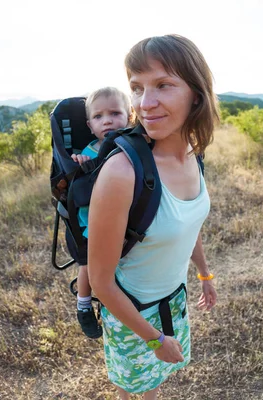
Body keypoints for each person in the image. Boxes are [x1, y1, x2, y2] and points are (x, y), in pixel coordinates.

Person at [87, 35, 220, 400]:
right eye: (136, 88)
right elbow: (100, 281)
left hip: (173, 300)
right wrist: (155, 338)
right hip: (132, 313)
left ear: (196, 93)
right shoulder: (121, 173)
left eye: (163, 85)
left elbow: (188, 224)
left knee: (155, 384)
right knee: (132, 389)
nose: (145, 104)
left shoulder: (194, 154)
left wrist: (204, 274)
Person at [71, 87, 132, 339]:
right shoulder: (87, 153)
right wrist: (81, 165)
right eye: (98, 117)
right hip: (93, 223)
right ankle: (84, 305)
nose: (107, 120)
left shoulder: (133, 143)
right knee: (89, 264)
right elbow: (78, 187)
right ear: (90, 125)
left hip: (125, 218)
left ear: (130, 116)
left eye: (115, 113)